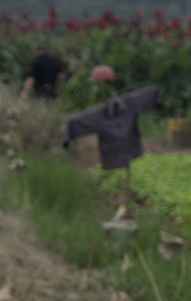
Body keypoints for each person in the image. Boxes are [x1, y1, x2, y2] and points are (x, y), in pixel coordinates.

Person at [64, 68, 162, 211]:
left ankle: (126, 204)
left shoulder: (129, 104)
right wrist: (68, 134)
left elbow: (152, 93)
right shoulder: (100, 114)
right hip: (113, 149)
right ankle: (121, 203)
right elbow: (77, 123)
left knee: (127, 174)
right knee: (122, 176)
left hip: (128, 145)